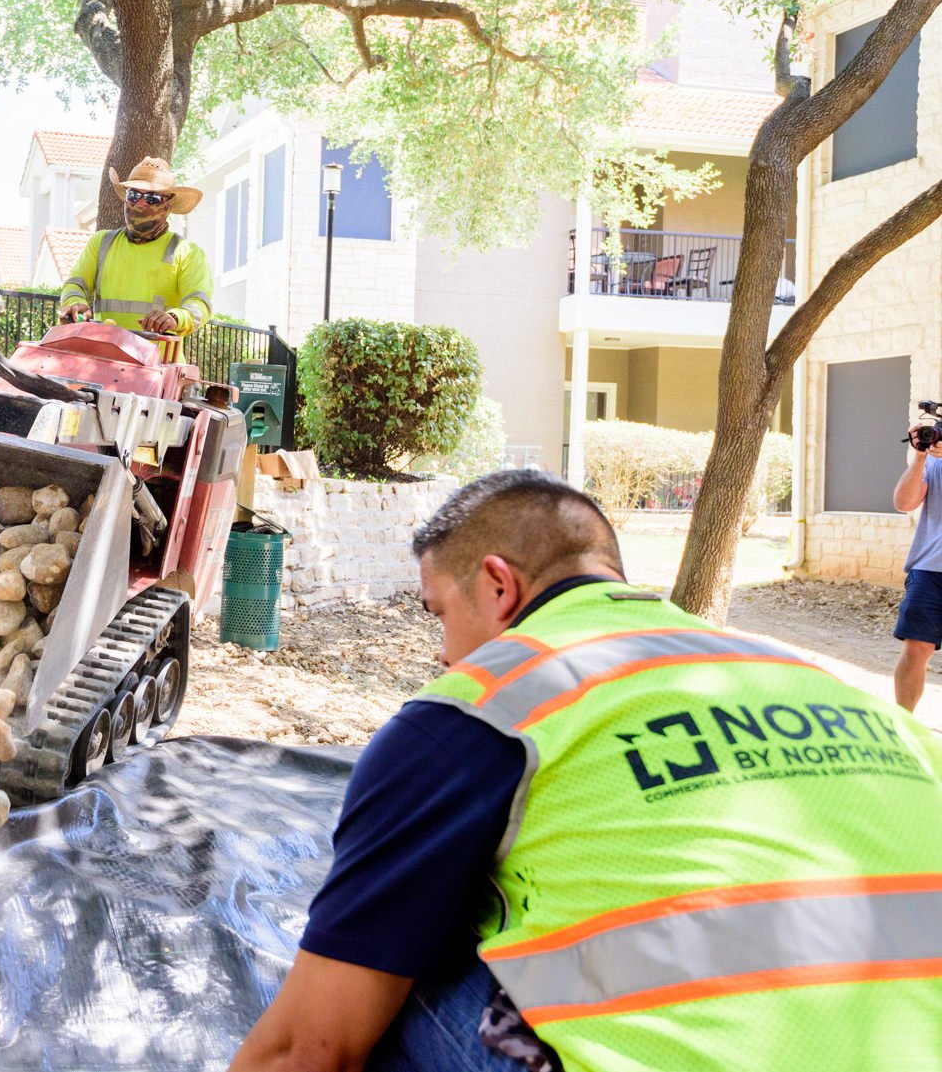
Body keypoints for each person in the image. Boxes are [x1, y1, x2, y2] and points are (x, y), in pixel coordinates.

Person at [230, 469, 942, 1072]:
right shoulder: (831, 687)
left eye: (439, 613)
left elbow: (308, 1047)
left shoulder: (475, 713)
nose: (445, 654)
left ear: (499, 585)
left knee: (400, 953)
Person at [59, 157, 212, 338]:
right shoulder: (101, 243)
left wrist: (175, 318)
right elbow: (75, 284)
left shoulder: (188, 253)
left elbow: (200, 304)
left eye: (152, 198)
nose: (140, 203)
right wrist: (75, 303)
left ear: (167, 206)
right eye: (133, 195)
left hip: (158, 362)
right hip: (105, 357)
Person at [890, 422, 942, 709]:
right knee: (915, 649)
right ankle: (903, 725)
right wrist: (920, 456)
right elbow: (903, 502)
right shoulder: (934, 460)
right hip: (930, 568)